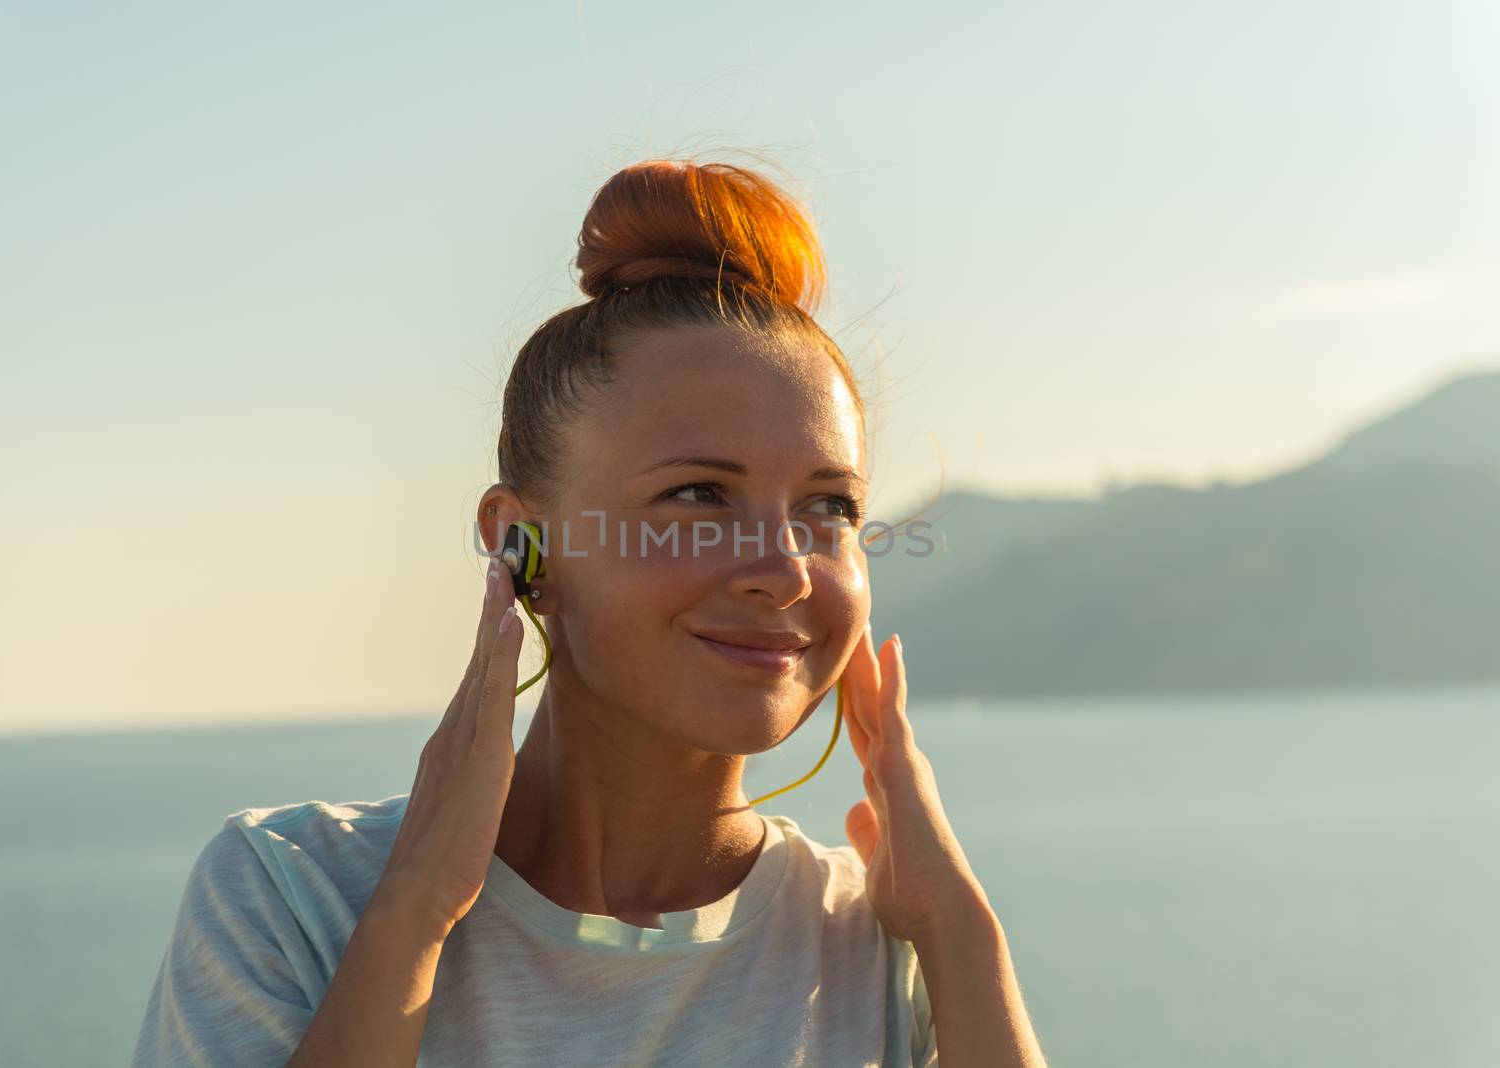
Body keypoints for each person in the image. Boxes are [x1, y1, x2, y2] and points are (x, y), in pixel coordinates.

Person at [131, 157, 1048, 1067]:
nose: (788, 571)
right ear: (522, 544)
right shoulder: (295, 895)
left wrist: (961, 933)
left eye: (830, 507)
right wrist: (413, 908)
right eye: (698, 495)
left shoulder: (884, 946)